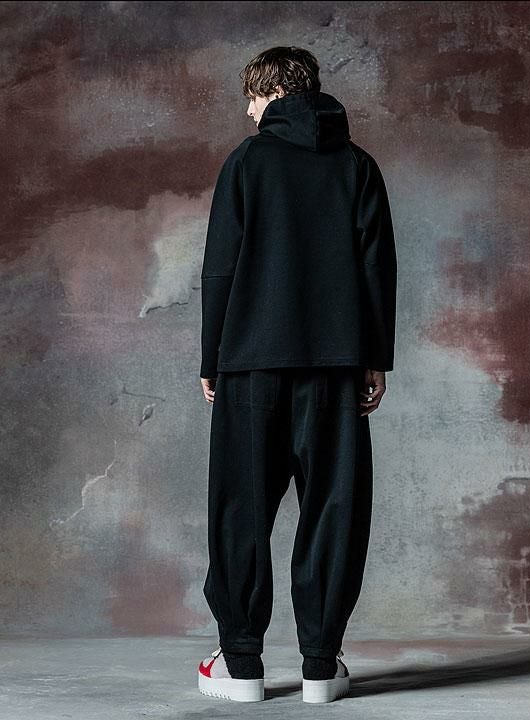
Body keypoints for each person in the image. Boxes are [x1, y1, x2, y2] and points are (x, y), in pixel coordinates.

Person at [196, 46, 397, 704]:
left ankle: (241, 665)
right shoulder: (357, 165)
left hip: (251, 364)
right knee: (334, 510)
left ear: (273, 93)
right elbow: (376, 268)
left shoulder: (247, 162)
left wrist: (212, 358)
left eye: (252, 99)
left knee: (240, 510)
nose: (248, 113)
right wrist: (374, 357)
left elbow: (221, 267)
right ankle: (320, 664)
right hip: (335, 367)